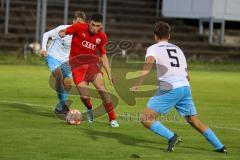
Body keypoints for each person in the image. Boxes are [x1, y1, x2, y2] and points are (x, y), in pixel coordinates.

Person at [130, 21, 227, 153]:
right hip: (185, 87)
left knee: (146, 118)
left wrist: (138, 83)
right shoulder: (178, 49)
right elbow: (187, 74)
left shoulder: (153, 48)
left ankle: (172, 137)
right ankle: (220, 146)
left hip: (170, 88)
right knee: (194, 121)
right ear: (169, 36)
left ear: (155, 36)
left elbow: (148, 63)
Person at [59, 13, 119, 127]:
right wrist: (62, 33)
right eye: (93, 25)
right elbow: (66, 31)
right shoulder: (79, 27)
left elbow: (103, 56)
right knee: (84, 97)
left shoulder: (102, 36)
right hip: (77, 68)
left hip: (92, 66)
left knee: (103, 90)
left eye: (98, 26)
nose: (95, 28)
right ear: (88, 23)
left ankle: (112, 119)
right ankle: (90, 109)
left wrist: (109, 74)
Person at [40, 11, 86, 114]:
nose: (79, 25)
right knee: (59, 76)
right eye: (77, 22)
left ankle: (60, 107)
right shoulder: (63, 29)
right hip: (53, 56)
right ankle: (64, 106)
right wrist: (43, 49)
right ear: (73, 21)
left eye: (81, 23)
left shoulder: (83, 35)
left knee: (68, 83)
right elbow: (46, 34)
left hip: (66, 60)